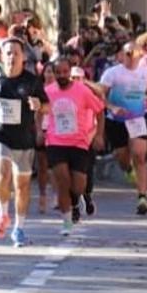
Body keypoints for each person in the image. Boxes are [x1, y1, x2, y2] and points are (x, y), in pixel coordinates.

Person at [0, 37, 47, 247]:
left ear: (23, 56)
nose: (12, 57)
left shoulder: (32, 81)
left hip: (24, 140)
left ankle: (19, 228)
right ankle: (2, 214)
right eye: (8, 53)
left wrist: (38, 105)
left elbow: (48, 106)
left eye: (16, 53)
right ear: (1, 56)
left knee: (22, 186)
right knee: (3, 172)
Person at [44, 57, 105, 236]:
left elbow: (100, 111)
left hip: (79, 143)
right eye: (58, 72)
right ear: (54, 74)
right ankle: (67, 221)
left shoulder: (82, 90)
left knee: (78, 186)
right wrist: (40, 131)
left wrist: (99, 135)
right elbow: (39, 111)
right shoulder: (48, 91)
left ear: (70, 72)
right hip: (55, 142)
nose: (62, 75)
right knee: (63, 181)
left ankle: (75, 201)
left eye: (65, 72)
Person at [99, 42, 147, 216]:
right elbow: (99, 96)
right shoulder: (112, 73)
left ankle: (142, 198)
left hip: (136, 119)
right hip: (116, 121)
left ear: (140, 55)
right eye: (127, 53)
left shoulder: (144, 72)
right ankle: (128, 170)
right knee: (122, 159)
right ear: (122, 55)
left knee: (140, 156)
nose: (131, 56)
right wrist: (112, 107)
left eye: (134, 53)